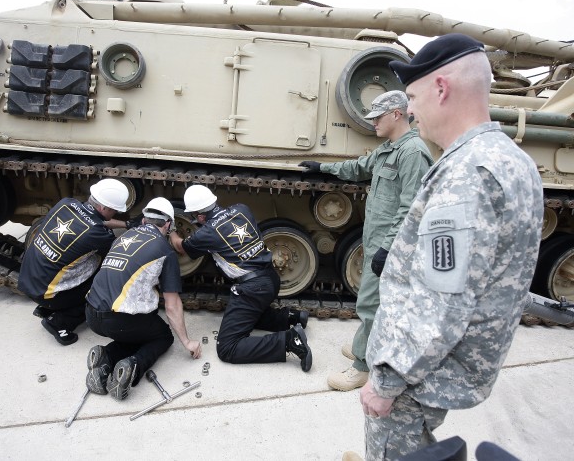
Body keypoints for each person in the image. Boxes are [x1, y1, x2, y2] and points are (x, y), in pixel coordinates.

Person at [358, 33, 543, 460]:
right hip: (445, 365)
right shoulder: (512, 159)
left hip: (417, 376)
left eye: (413, 97)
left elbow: (438, 301)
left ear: (440, 88)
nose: (411, 111)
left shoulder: (467, 175)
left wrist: (386, 380)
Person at [299, 90, 433, 391]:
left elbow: (411, 207)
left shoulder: (412, 153)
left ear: (397, 114)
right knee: (372, 301)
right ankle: (369, 345)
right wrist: (324, 168)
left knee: (372, 303)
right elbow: (358, 167)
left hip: (391, 244)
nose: (373, 123)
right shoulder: (390, 148)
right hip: (377, 240)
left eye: (378, 117)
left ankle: (362, 366)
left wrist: (388, 247)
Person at [169, 185, 312, 372]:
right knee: (246, 317)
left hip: (253, 289)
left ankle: (290, 341)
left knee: (227, 348)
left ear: (201, 217)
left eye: (195, 216)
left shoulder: (206, 233)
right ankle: (291, 317)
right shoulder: (241, 208)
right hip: (271, 278)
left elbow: (181, 247)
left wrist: (171, 229)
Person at [84, 197, 202, 400]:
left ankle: (106, 356)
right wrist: (187, 341)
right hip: (118, 320)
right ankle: (132, 367)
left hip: (90, 314)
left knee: (137, 331)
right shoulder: (165, 251)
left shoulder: (124, 236)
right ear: (168, 224)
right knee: (162, 336)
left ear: (145, 220)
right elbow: (172, 305)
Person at [18, 178, 128, 346]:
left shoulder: (66, 203)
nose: (116, 214)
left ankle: (48, 307)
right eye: (115, 211)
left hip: (28, 279)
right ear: (104, 207)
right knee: (108, 278)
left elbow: (95, 220)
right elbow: (115, 256)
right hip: (46, 294)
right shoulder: (98, 235)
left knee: (74, 257)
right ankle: (60, 321)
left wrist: (126, 224)